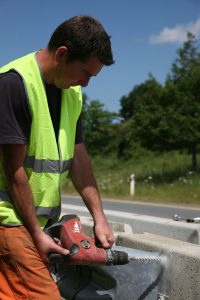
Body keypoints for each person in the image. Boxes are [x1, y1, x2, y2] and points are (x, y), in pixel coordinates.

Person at [0, 15, 115, 300]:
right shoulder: (13, 84)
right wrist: (37, 236)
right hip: (9, 219)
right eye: (85, 73)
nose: (86, 84)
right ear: (62, 54)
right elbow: (15, 172)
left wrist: (99, 218)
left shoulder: (72, 92)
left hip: (35, 224)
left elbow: (78, 158)